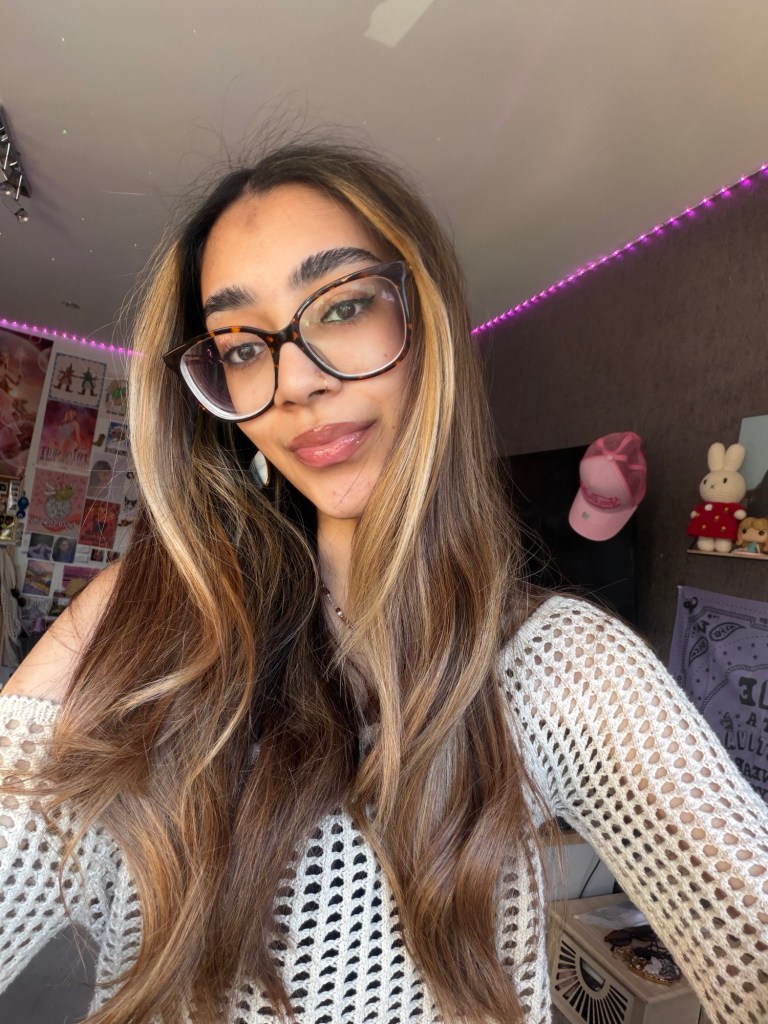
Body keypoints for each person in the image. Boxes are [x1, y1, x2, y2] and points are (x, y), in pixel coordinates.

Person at [1, 142, 766, 1024]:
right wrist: (115, 616)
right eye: (242, 347)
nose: (294, 384)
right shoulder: (153, 633)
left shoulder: (555, 663)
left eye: (344, 306)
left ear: (425, 322)